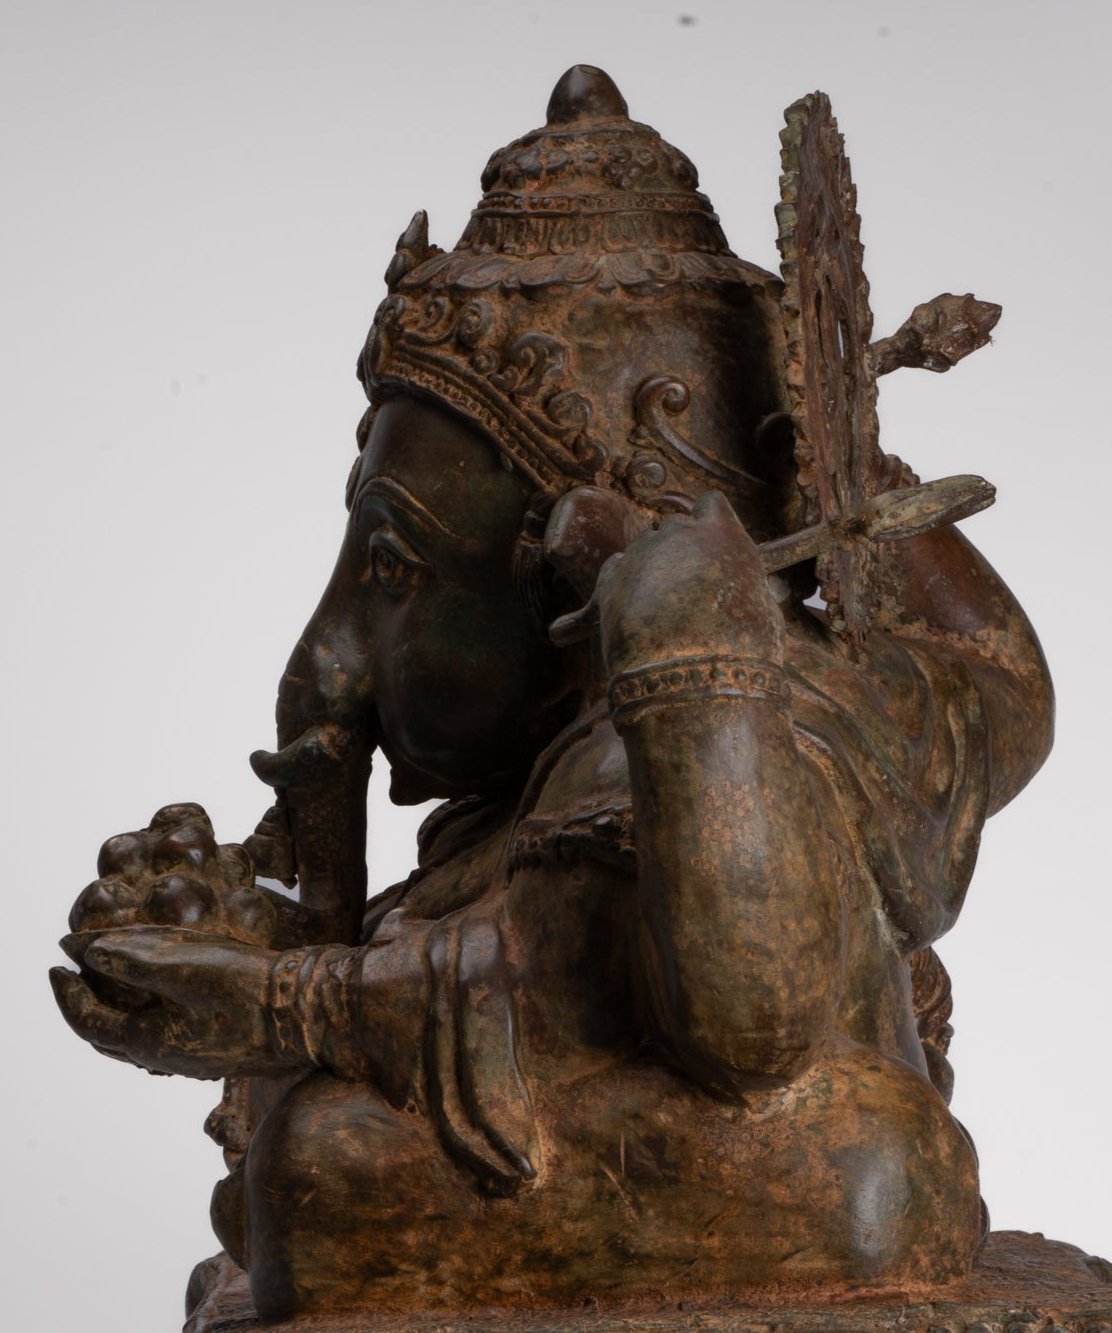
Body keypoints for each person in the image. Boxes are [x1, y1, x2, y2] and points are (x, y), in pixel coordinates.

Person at [51, 67, 1053, 1323]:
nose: (334, 656)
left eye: (394, 569)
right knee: (307, 1148)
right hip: (675, 1125)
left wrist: (274, 1003)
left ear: (568, 570)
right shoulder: (556, 779)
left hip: (798, 1162)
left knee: (315, 1167)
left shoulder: (679, 731)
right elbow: (1000, 683)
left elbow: (738, 1023)